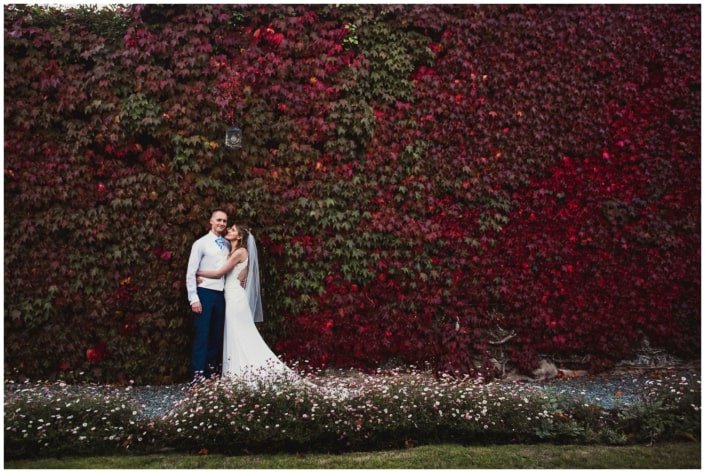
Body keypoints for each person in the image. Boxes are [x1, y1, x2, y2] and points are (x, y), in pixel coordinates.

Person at [196, 223, 294, 380]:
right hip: (230, 295)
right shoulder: (232, 250)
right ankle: (236, 372)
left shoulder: (240, 252)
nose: (229, 230)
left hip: (235, 298)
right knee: (234, 333)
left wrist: (196, 271)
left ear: (240, 237)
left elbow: (218, 273)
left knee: (239, 333)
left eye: (233, 230)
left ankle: (243, 373)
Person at [185, 209, 230, 382]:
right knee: (202, 337)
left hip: (221, 296)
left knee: (215, 338)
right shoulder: (200, 243)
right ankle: (197, 379)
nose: (222, 223)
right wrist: (193, 298)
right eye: (219, 220)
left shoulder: (227, 244)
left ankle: (211, 378)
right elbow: (191, 273)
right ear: (211, 221)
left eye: (225, 221)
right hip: (204, 293)